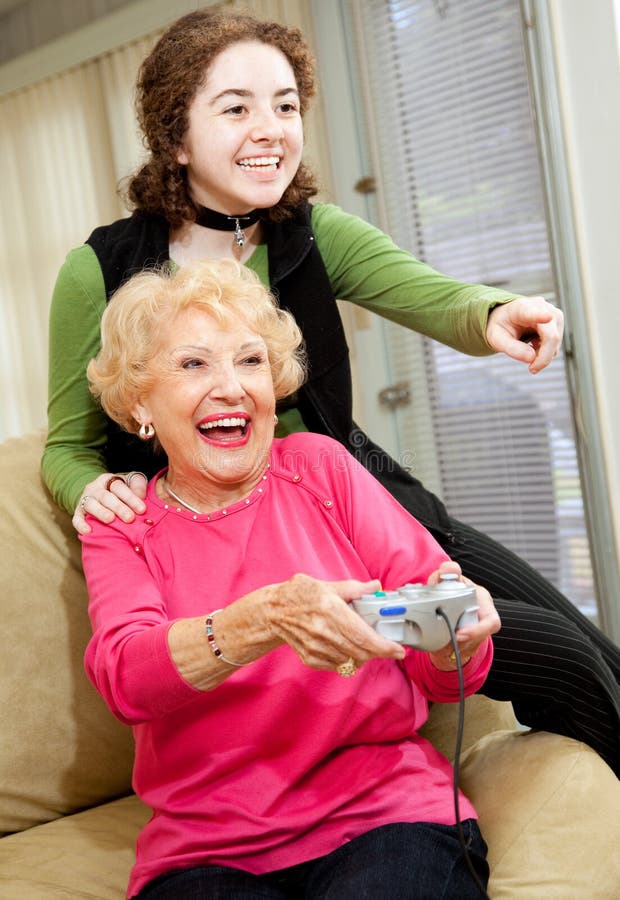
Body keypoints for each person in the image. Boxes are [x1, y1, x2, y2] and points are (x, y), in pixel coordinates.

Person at [43, 8, 620, 776]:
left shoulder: (312, 233)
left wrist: (493, 312)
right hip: (244, 545)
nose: (271, 128)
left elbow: (432, 294)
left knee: (587, 642)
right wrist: (97, 490)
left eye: (286, 106)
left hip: (359, 499)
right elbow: (66, 448)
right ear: (176, 136)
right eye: (236, 107)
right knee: (559, 658)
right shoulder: (103, 271)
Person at [82, 257, 498, 899]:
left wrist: (456, 641)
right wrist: (264, 617)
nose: (231, 388)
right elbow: (126, 679)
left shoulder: (323, 469)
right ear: (139, 401)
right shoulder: (124, 523)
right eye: (194, 364)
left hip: (386, 817)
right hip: (207, 854)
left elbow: (443, 666)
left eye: (250, 362)